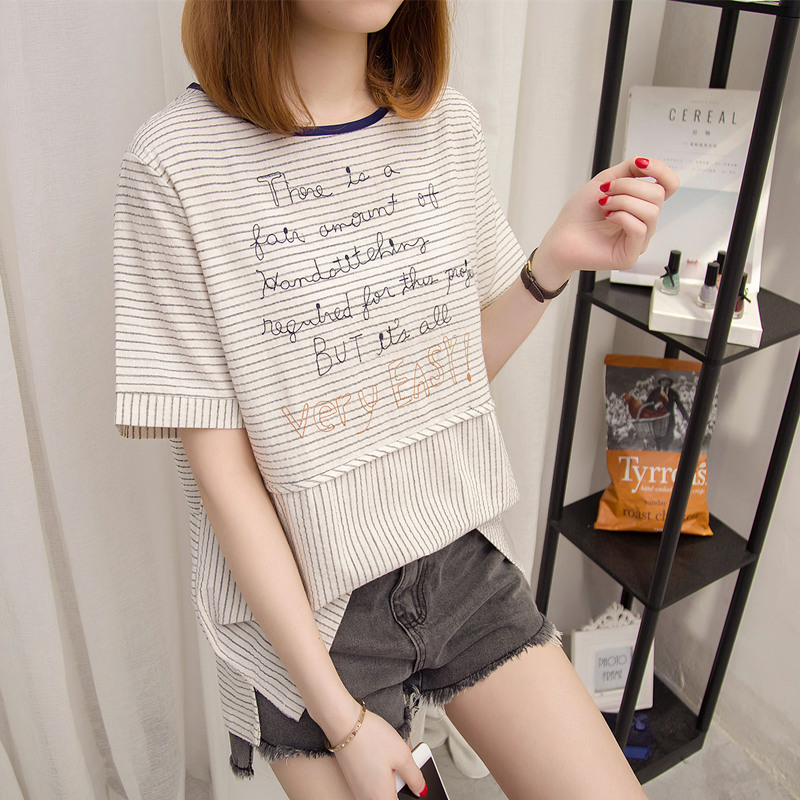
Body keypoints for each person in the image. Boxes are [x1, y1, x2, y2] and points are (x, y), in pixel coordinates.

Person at [114, 1, 679, 798]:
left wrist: (553, 259)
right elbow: (227, 483)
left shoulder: (445, 125)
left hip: (455, 560)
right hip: (312, 616)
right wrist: (341, 720)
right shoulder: (175, 163)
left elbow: (446, 384)